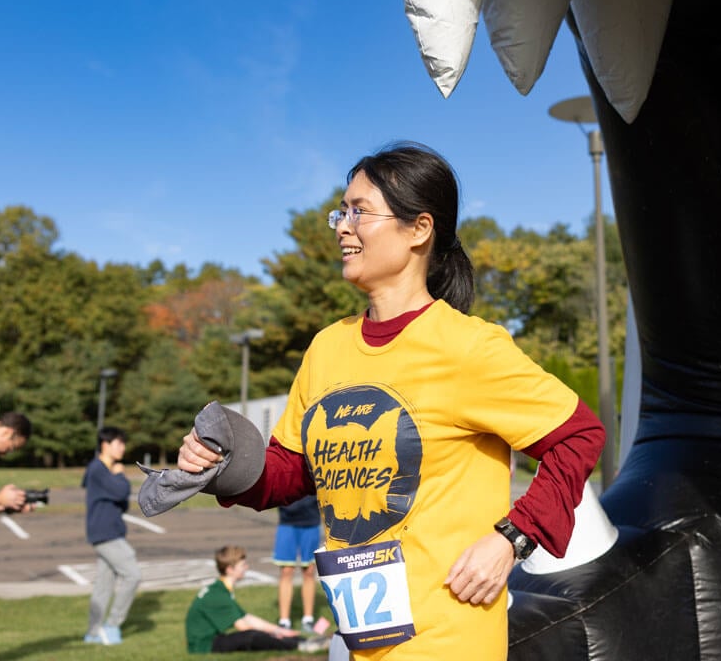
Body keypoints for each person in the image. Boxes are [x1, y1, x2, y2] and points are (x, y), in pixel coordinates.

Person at [175, 142, 605, 660]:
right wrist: (218, 466)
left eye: (359, 211)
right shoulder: (326, 349)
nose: (341, 226)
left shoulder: (469, 346)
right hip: (356, 642)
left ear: (419, 229)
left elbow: (580, 435)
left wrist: (512, 538)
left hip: (448, 638)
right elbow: (290, 472)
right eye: (341, 210)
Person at [186, 544, 330, 654]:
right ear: (230, 569)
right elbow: (243, 627)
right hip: (203, 646)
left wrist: (279, 630)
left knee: (257, 633)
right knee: (251, 636)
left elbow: (247, 618)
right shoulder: (218, 594)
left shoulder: (221, 588)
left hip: (211, 640)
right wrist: (274, 634)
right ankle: (302, 645)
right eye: (242, 565)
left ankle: (306, 641)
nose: (246, 567)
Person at [82, 426, 141, 646]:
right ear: (105, 445)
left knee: (103, 585)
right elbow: (121, 492)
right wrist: (121, 476)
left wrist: (117, 478)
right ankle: (112, 625)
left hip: (105, 532)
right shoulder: (99, 469)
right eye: (119, 443)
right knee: (133, 575)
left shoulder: (101, 470)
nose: (123, 448)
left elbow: (121, 503)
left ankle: (93, 633)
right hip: (106, 534)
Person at [274, 494, 321, 633]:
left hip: (311, 521)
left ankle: (308, 620)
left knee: (309, 571)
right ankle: (284, 622)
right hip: (286, 522)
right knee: (286, 570)